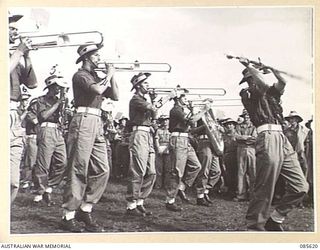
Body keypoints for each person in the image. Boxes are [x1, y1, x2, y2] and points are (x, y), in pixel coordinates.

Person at [238, 59, 309, 231]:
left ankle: (275, 219)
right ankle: (254, 226)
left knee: (301, 186)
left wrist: (272, 68)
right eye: (253, 76)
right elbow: (262, 83)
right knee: (265, 187)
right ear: (250, 79)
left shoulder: (271, 93)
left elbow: (283, 81)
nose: (258, 77)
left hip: (281, 137)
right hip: (267, 136)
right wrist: (249, 66)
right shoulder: (247, 92)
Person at [61, 43, 118, 232]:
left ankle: (85, 209)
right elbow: (98, 91)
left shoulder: (96, 77)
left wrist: (113, 75)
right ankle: (68, 214)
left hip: (96, 121)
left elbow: (115, 95)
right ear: (87, 58)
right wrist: (108, 75)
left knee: (103, 169)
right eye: (96, 57)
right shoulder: (81, 75)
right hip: (83, 119)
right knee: (78, 168)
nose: (99, 59)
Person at [9, 13, 38, 203]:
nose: (15, 32)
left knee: (12, 182)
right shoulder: (12, 55)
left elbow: (33, 84)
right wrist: (19, 52)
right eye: (11, 28)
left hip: (14, 115)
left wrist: (26, 57)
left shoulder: (14, 56)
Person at [32, 74, 68, 206]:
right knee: (43, 163)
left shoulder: (61, 100)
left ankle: (49, 187)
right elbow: (43, 116)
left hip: (58, 131)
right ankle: (38, 195)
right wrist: (58, 103)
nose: (59, 89)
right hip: (46, 129)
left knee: (62, 162)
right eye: (58, 86)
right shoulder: (41, 100)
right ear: (51, 87)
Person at [126, 72, 157, 216]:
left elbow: (154, 115)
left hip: (147, 134)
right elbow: (152, 109)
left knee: (151, 172)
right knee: (138, 170)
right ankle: (131, 205)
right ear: (138, 86)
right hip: (139, 134)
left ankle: (140, 201)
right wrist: (168, 97)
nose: (148, 85)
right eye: (145, 83)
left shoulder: (144, 99)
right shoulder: (136, 99)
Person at [165, 94, 202, 212]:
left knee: (196, 166)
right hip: (178, 139)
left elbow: (191, 125)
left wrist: (192, 111)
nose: (187, 99)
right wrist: (204, 110)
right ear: (177, 99)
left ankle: (181, 188)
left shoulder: (182, 110)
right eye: (184, 97)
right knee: (177, 171)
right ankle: (170, 200)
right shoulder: (176, 110)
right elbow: (191, 121)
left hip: (185, 140)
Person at [234, 109, 257, 202]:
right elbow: (236, 137)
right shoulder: (239, 126)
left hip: (252, 149)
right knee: (241, 172)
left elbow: (255, 138)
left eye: (248, 116)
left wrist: (244, 138)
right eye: (245, 116)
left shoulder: (254, 127)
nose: (246, 117)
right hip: (241, 149)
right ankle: (241, 194)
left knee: (253, 172)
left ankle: (253, 194)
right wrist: (248, 137)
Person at [284, 111, 309, 177]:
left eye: (293, 118)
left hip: (301, 153)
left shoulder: (304, 130)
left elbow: (306, 143)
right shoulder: (286, 131)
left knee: (304, 168)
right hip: (290, 154)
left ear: (297, 120)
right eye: (290, 119)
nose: (291, 120)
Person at [221, 118, 238, 199]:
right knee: (228, 174)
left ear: (234, 126)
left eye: (231, 124)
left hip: (236, 156)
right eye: (227, 125)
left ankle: (236, 191)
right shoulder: (223, 136)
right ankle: (230, 191)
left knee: (236, 174)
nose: (229, 126)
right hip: (227, 156)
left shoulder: (237, 135)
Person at [154, 115, 171, 189]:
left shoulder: (171, 130)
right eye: (163, 120)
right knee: (159, 169)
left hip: (168, 149)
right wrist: (158, 148)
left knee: (168, 169)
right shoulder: (158, 130)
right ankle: (158, 185)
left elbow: (171, 140)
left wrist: (168, 148)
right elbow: (156, 139)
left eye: (166, 120)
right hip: (160, 149)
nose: (165, 122)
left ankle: (166, 185)